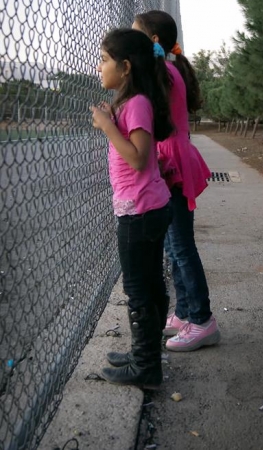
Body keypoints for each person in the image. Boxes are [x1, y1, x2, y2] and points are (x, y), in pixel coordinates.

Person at [131, 10, 221, 352]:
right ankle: (185, 312)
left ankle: (202, 320)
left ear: (152, 41)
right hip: (172, 160)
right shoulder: (168, 69)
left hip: (173, 164)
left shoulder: (164, 73)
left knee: (181, 246)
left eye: (136, 34)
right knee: (173, 246)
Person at [90, 28, 173, 388]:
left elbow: (139, 159)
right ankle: (146, 355)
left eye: (105, 60)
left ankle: (146, 367)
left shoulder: (137, 102)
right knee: (151, 284)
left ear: (125, 67)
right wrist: (114, 118)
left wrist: (108, 126)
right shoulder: (131, 102)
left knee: (139, 289)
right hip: (147, 208)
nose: (99, 66)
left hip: (138, 212)